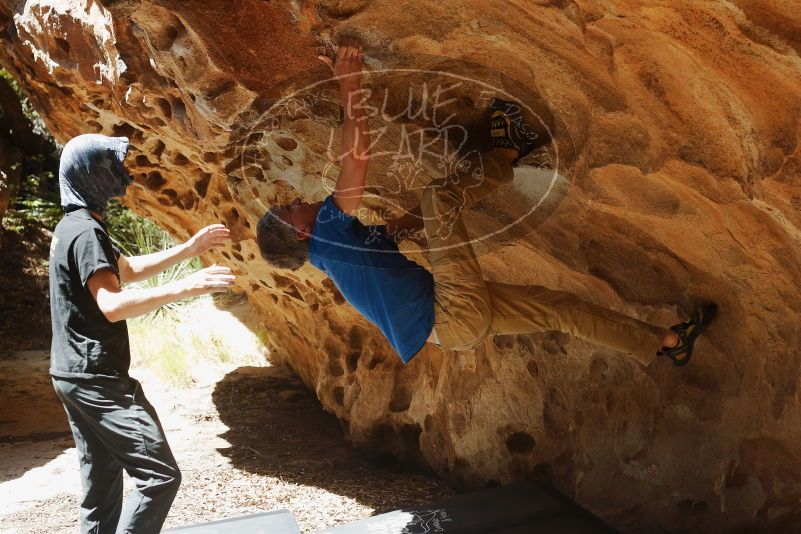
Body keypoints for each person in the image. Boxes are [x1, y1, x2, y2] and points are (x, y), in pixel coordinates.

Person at [256, 42, 716, 368]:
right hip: (451, 310)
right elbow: (356, 159)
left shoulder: (338, 251)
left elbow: (404, 227)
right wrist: (349, 81)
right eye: (289, 208)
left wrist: (427, 213)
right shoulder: (330, 234)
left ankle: (669, 342)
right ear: (299, 232)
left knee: (564, 310)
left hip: (454, 330)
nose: (295, 199)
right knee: (439, 196)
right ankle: (506, 151)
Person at [49, 133, 235, 534]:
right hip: (95, 377)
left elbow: (126, 270)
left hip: (72, 375)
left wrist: (189, 249)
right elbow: (112, 306)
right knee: (160, 476)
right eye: (113, 166)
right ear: (91, 175)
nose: (125, 174)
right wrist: (189, 285)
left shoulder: (74, 226)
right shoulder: (85, 233)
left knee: (100, 492)